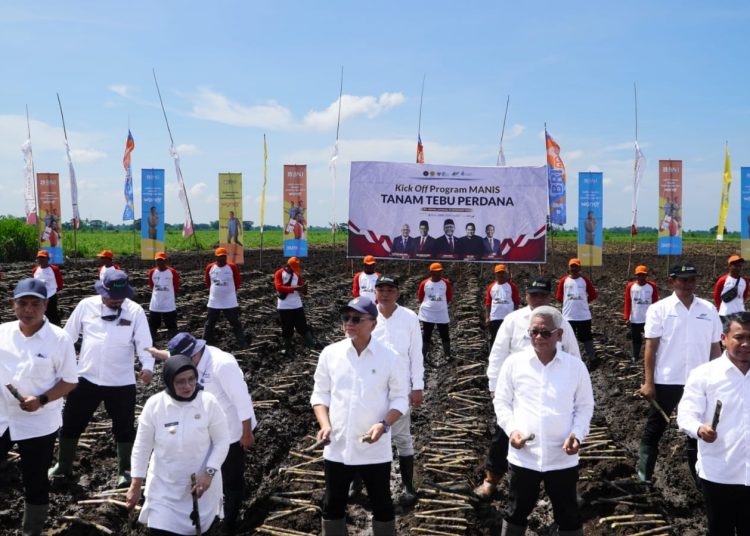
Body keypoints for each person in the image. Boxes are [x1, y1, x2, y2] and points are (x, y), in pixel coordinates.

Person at [475, 278, 581, 500]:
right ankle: (491, 481)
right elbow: (498, 354)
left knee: (561, 436)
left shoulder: (562, 323)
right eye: (534, 295)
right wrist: (494, 387)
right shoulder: (513, 320)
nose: (538, 299)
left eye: (542, 295)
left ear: (550, 297)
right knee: (503, 436)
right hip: (517, 392)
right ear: (526, 296)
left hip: (554, 393)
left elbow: (574, 357)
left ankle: (564, 489)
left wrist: (573, 391)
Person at [311, 296, 409, 535]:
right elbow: (320, 394)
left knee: (382, 505)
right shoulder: (330, 354)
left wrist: (384, 424)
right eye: (346, 318)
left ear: (373, 324)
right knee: (332, 504)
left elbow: (399, 399)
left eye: (356, 319)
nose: (349, 323)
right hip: (337, 446)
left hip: (374, 448)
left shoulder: (390, 357)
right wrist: (324, 424)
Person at [494, 306, 594, 536]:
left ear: (559, 335)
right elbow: (502, 403)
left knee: (568, 514)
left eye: (545, 333)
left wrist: (577, 434)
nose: (538, 338)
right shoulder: (514, 364)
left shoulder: (575, 367)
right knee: (516, 510)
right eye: (533, 332)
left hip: (562, 458)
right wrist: (512, 430)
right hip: (524, 457)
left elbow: (584, 406)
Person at [50, 270, 155, 487]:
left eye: (121, 297)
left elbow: (144, 342)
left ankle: (124, 471)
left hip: (121, 381)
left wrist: (148, 367)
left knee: (124, 428)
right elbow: (67, 337)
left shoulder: (134, 311)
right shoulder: (86, 306)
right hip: (86, 377)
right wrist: (57, 364)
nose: (117, 301)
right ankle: (63, 466)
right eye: (112, 297)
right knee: (70, 422)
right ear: (102, 291)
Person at [149, 333, 257, 533]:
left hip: (233, 431)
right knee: (210, 473)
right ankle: (208, 514)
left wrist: (246, 433)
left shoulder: (222, 365)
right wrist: (156, 353)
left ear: (193, 354)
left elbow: (243, 402)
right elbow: (171, 356)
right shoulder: (191, 361)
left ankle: (229, 523)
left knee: (231, 478)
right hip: (207, 429)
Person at [0, 279, 78, 535]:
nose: (28, 310)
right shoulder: (2, 332)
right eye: (22, 303)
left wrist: (41, 400)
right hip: (2, 418)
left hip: (38, 422)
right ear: (13, 305)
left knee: (34, 480)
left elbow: (69, 381)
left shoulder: (59, 339)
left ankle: (30, 531)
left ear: (45, 305)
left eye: (35, 304)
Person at [126, 355, 230, 535]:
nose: (188, 386)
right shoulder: (155, 405)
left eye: (191, 379)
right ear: (169, 381)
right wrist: (135, 485)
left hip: (201, 490)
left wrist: (209, 473)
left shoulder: (208, 402)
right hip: (164, 492)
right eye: (180, 382)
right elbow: (142, 447)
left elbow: (222, 441)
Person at [637, 263, 722, 484]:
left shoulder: (708, 309)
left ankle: (700, 481)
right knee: (655, 429)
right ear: (671, 281)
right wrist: (648, 382)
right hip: (666, 380)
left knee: (697, 433)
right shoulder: (659, 309)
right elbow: (651, 348)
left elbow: (715, 348)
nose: (687, 284)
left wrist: (718, 379)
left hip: (700, 382)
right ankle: (644, 478)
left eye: (692, 280)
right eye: (683, 280)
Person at [677, 312, 750, 536]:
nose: (746, 344)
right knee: (721, 529)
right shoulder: (704, 375)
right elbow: (686, 414)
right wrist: (700, 429)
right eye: (739, 337)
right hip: (720, 473)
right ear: (723, 338)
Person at [372, 276, 424, 506]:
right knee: (368, 433)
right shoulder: (367, 315)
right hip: (373, 387)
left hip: (400, 387)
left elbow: (416, 354)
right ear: (375, 293)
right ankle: (359, 483)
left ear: (397, 292)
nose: (385, 294)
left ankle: (407, 485)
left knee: (403, 438)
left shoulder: (409, 317)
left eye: (389, 290)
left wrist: (418, 386)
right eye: (381, 289)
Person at [555, 258, 598, 367]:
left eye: (576, 266)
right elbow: (559, 297)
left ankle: (592, 359)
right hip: (568, 316)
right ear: (569, 268)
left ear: (579, 268)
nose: (574, 269)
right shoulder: (563, 281)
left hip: (583, 316)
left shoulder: (585, 280)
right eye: (572, 266)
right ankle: (566, 360)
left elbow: (593, 295)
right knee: (567, 339)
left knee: (587, 338)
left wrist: (582, 302)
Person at [204, 247, 248, 348]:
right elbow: (207, 282)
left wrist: (230, 292)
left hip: (229, 302)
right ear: (216, 257)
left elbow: (237, 281)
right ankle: (205, 343)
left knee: (235, 322)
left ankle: (242, 342)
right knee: (209, 323)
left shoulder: (231, 267)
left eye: (223, 256)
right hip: (214, 302)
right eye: (220, 257)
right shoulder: (210, 267)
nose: (222, 259)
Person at [274, 257, 315, 351]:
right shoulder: (279, 273)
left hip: (297, 305)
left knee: (302, 326)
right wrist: (295, 289)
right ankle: (287, 348)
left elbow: (302, 289)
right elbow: (279, 287)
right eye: (294, 268)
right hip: (284, 306)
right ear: (288, 266)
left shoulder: (297, 275)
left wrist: (304, 289)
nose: (295, 270)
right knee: (287, 328)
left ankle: (312, 345)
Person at [624, 265, 659, 361]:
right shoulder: (630, 286)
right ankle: (635, 355)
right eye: (639, 275)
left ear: (646, 275)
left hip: (648, 319)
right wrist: (627, 317)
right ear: (636, 276)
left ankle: (650, 356)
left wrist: (656, 316)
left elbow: (655, 302)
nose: (641, 277)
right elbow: (627, 302)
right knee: (636, 339)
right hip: (635, 318)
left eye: (643, 275)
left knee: (650, 338)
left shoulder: (652, 286)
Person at [417, 263, 453, 358]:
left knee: (444, 333)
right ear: (431, 272)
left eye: (440, 271)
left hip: (441, 313)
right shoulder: (424, 283)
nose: (438, 274)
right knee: (427, 334)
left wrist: (439, 306)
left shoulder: (445, 283)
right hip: (428, 314)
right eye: (436, 272)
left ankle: (447, 354)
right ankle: (423, 354)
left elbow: (449, 297)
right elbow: (420, 297)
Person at [484, 265, 520, 347]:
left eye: (502, 273)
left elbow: (516, 302)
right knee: (494, 339)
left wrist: (516, 316)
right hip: (495, 318)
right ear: (495, 274)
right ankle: (494, 358)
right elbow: (488, 303)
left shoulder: (512, 286)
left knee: (509, 340)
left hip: (508, 318)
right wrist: (487, 317)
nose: (501, 275)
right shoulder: (491, 287)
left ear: (506, 273)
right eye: (498, 273)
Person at [147, 252, 180, 340]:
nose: (159, 262)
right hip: (155, 305)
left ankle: (174, 345)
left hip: (168, 305)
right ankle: (152, 344)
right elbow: (151, 286)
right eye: (158, 260)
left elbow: (176, 286)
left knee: (172, 326)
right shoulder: (152, 272)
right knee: (153, 326)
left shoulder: (172, 272)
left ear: (165, 261)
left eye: (161, 260)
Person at [32, 250, 63, 326]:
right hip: (40, 296)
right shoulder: (35, 270)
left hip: (51, 295)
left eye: (43, 258)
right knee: (41, 313)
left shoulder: (54, 269)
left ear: (48, 259)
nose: (41, 260)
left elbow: (59, 283)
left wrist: (53, 291)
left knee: (52, 313)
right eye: (39, 258)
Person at [713, 254, 749, 320]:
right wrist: (721, 308)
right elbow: (716, 296)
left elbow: (743, 296)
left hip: (740, 315)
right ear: (729, 266)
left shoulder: (745, 281)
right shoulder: (722, 280)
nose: (738, 268)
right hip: (724, 314)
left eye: (740, 266)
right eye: (735, 265)